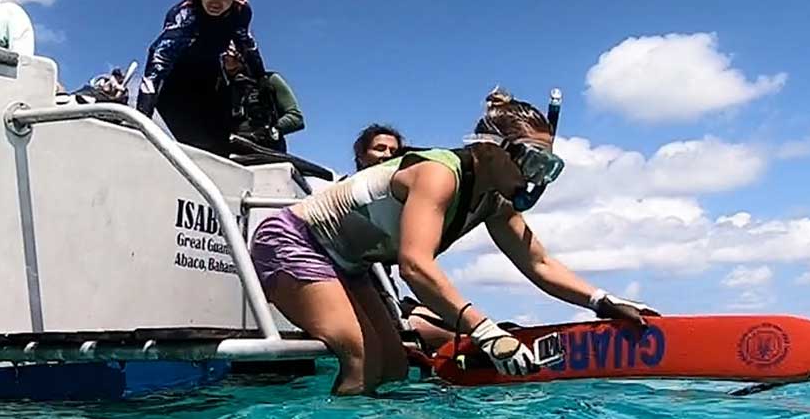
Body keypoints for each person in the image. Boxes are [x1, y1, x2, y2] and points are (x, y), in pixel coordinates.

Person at [247, 89, 661, 396]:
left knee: (392, 368)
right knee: (359, 357)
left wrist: (602, 301)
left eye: (547, 165)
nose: (537, 177)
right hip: (294, 241)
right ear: (489, 151)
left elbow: (539, 263)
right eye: (532, 160)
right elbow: (415, 265)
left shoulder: (494, 202)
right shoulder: (438, 175)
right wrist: (485, 331)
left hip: (349, 264)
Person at [141, 0, 265, 155]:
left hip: (209, 79)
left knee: (227, 142)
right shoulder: (185, 17)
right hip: (175, 88)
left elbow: (246, 43)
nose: (215, 1)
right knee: (201, 145)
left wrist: (262, 79)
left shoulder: (241, 12)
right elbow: (157, 64)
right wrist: (143, 118)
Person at [224, 45, 300, 153]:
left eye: (230, 51)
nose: (226, 55)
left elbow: (295, 117)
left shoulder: (270, 81)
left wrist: (271, 130)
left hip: (267, 152)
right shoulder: (225, 89)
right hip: (234, 151)